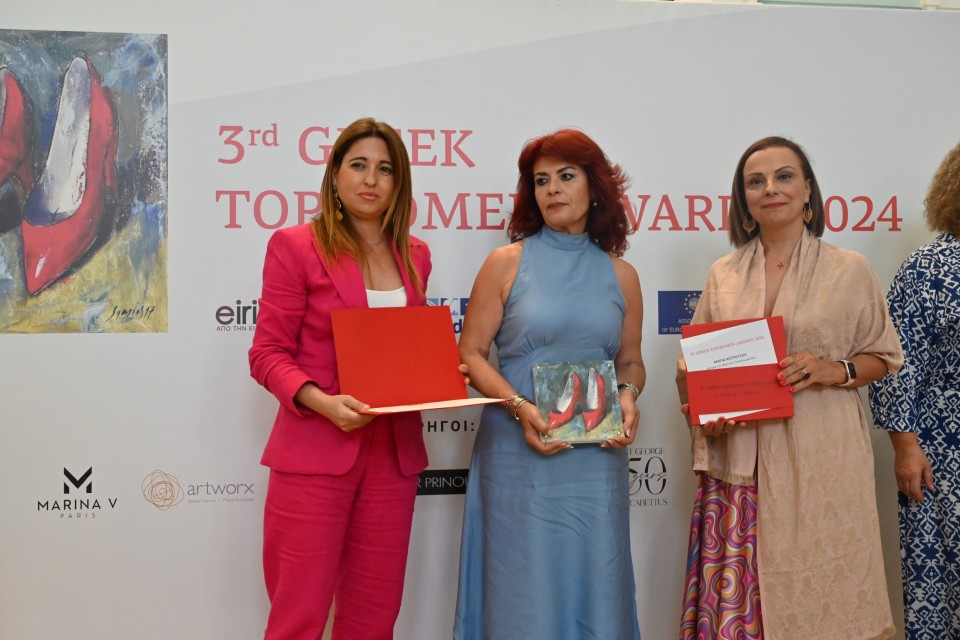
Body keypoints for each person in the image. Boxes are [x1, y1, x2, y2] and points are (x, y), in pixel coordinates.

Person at [676, 136, 903, 640]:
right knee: (742, 611)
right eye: (755, 181)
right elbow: (693, 370)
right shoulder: (723, 274)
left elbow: (882, 356)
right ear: (744, 199)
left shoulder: (849, 269)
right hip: (740, 465)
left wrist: (832, 370)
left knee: (829, 601)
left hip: (824, 461)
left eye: (783, 176)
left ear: (807, 190)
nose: (770, 189)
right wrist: (708, 413)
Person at [249, 117, 440, 639]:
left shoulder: (416, 254)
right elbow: (266, 354)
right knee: (298, 617)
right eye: (358, 165)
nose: (371, 179)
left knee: (374, 619)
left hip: (393, 457)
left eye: (385, 169)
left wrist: (440, 373)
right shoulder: (295, 246)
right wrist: (323, 402)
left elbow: (404, 349)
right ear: (335, 175)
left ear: (399, 183)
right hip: (316, 451)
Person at [453, 129, 646, 640]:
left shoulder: (622, 275)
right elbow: (470, 354)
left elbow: (631, 362)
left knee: (597, 582)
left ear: (594, 186)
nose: (553, 189)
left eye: (565, 176)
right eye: (541, 181)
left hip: (595, 460)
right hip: (518, 455)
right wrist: (520, 407)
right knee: (521, 590)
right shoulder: (506, 262)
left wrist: (628, 397)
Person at [869, 141, 960, 640]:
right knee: (942, 590)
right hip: (945, 459)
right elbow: (896, 367)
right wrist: (905, 448)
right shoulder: (930, 267)